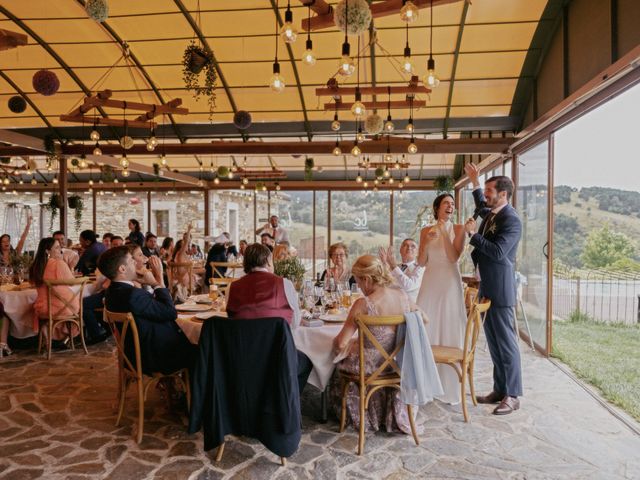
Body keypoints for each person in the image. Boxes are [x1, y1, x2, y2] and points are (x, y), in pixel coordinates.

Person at [330, 254, 418, 433]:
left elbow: (340, 343)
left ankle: (356, 413)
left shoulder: (363, 304)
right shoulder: (403, 296)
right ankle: (386, 414)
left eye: (359, 282)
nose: (360, 288)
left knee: (336, 365)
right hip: (398, 365)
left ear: (367, 279)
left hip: (370, 368)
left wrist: (351, 345)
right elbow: (423, 320)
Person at [464, 163, 523, 415]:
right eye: (486, 190)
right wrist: (476, 182)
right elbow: (480, 203)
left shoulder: (512, 220)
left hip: (500, 290)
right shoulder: (491, 212)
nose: (486, 194)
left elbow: (499, 252)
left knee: (507, 344)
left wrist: (473, 236)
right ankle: (499, 389)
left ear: (503, 194)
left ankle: (513, 395)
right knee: (494, 343)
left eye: (490, 190)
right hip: (486, 287)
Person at [225, 243, 310, 395]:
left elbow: (232, 320)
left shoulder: (232, 288)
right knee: (307, 362)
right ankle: (285, 403)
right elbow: (294, 324)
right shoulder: (284, 284)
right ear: (268, 261)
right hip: (277, 359)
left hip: (241, 359)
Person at [100, 246, 197, 375]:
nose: (135, 262)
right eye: (131, 261)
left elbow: (154, 308)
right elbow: (170, 312)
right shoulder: (133, 295)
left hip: (133, 355)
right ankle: (195, 393)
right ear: (122, 269)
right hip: (153, 357)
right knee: (204, 349)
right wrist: (156, 283)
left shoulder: (112, 292)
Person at [415, 194, 467, 405]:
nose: (451, 206)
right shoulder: (425, 231)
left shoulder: (459, 228)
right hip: (430, 282)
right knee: (426, 325)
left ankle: (448, 385)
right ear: (437, 207)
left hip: (449, 284)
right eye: (446, 203)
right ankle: (426, 382)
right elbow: (421, 261)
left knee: (448, 326)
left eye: (453, 204)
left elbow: (454, 257)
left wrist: (445, 229)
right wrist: (426, 243)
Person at [30, 238, 80, 341]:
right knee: (78, 302)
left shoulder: (35, 266)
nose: (60, 250)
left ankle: (49, 328)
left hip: (42, 309)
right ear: (47, 251)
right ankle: (67, 337)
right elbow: (72, 282)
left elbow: (32, 283)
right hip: (65, 307)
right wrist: (69, 266)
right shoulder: (58, 263)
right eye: (57, 248)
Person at [379, 238, 424, 303]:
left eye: (413, 246)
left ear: (417, 252)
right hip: (392, 305)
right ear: (400, 250)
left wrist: (393, 266)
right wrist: (384, 263)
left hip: (410, 309)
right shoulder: (396, 267)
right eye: (405, 245)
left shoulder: (420, 268)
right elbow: (387, 283)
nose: (409, 248)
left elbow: (409, 286)